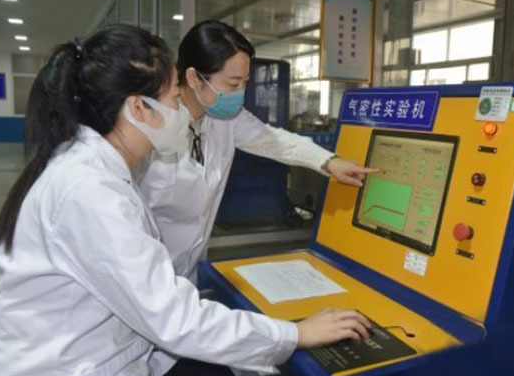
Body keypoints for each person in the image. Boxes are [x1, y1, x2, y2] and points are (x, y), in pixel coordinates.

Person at [0, 24, 371, 376]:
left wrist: (328, 161)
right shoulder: (89, 191)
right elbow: (172, 317)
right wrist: (295, 334)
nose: (179, 111)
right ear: (139, 107)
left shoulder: (92, 167)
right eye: (173, 98)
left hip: (130, 336)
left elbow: (274, 140)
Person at [137, 20, 375, 283]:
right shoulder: (150, 127)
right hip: (143, 278)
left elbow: (274, 141)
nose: (240, 93)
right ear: (194, 78)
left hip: (189, 272)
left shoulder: (226, 119)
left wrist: (328, 161)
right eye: (233, 84)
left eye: (245, 82)